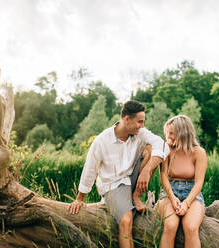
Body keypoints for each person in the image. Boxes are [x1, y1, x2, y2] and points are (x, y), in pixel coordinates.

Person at [68, 100, 169, 248]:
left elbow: (163, 145)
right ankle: (121, 202)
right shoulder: (102, 141)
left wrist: (146, 171)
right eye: (139, 122)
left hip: (133, 178)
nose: (142, 126)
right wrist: (80, 198)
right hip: (113, 184)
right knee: (126, 221)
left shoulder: (140, 133)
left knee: (151, 148)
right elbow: (90, 168)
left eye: (143, 122)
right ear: (127, 119)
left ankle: (136, 196)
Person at [157, 115, 207, 248]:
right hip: (169, 192)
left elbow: (199, 183)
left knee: (191, 228)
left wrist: (186, 203)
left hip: (192, 194)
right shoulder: (166, 150)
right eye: (166, 132)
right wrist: (172, 198)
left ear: (183, 133)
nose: (168, 136)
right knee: (170, 225)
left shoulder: (199, 152)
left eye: (172, 133)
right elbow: (163, 176)